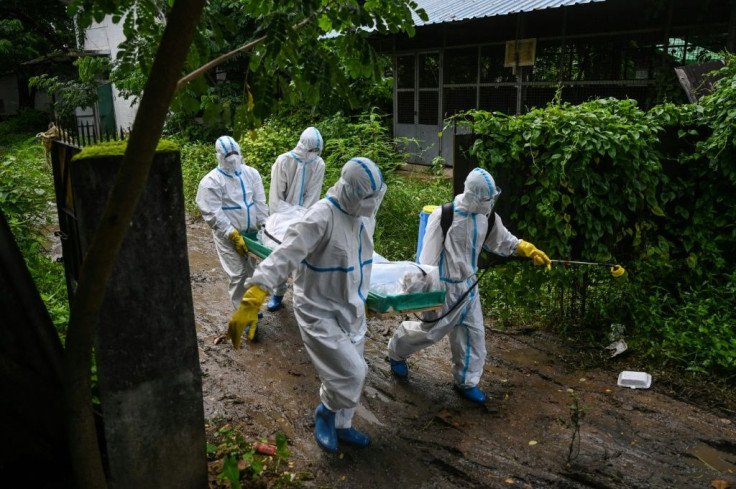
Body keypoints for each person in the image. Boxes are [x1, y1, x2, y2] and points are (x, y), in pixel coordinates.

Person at [227, 157, 386, 454]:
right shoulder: (320, 217)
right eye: (368, 197)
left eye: (376, 196)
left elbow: (358, 260)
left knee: (343, 373)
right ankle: (325, 413)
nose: (373, 203)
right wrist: (253, 296)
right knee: (352, 372)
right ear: (351, 191)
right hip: (318, 310)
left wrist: (362, 295)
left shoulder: (362, 214)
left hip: (351, 308)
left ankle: (342, 425)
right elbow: (284, 255)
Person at [387, 167, 551, 403]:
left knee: (473, 335)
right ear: (473, 196)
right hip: (444, 287)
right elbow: (427, 260)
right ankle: (396, 350)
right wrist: (419, 288)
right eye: (487, 199)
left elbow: (502, 241)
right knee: (430, 333)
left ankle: (466, 381)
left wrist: (525, 248)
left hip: (469, 287)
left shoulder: (487, 217)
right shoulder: (444, 216)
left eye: (492, 198)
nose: (490, 203)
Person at [196, 135, 268, 312]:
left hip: (251, 234)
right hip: (228, 237)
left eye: (235, 153)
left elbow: (259, 201)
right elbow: (212, 212)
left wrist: (265, 225)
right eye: (228, 155)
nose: (233, 158)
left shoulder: (251, 174)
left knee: (252, 272)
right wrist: (232, 234)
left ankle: (252, 308)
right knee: (237, 275)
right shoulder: (211, 182)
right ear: (220, 156)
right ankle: (243, 313)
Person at [266, 126, 326, 312]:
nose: (313, 154)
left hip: (305, 216)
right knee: (282, 254)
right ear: (302, 146)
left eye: (317, 151)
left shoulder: (318, 164)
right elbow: (276, 198)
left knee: (304, 258)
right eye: (311, 150)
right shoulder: (284, 162)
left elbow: (313, 196)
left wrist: (303, 218)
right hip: (280, 218)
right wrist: (287, 217)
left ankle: (302, 299)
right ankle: (278, 293)